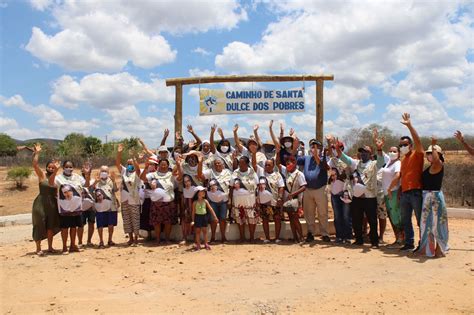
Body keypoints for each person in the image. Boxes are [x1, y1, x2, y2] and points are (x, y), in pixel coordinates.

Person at [335, 138, 385, 248]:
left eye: (365, 152)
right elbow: (344, 158)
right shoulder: (356, 163)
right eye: (361, 152)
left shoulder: (374, 164)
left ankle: (374, 242)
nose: (363, 154)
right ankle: (359, 239)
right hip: (357, 196)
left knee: (372, 220)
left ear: (370, 154)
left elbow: (382, 161)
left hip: (369, 197)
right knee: (357, 219)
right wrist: (338, 150)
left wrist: (380, 148)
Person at [49, 160, 90, 253]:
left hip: (76, 207)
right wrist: (55, 171)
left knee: (74, 227)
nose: (69, 169)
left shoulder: (77, 177)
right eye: (66, 167)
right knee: (64, 228)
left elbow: (87, 185)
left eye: (70, 167)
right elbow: (51, 183)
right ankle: (64, 247)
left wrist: (87, 175)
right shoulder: (58, 177)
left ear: (73, 168)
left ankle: (72, 245)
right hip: (65, 208)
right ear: (63, 168)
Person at [419, 137, 449, 257]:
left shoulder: (438, 164)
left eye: (432, 153)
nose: (429, 155)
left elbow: (436, 160)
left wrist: (433, 145)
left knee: (438, 224)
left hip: (435, 197)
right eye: (429, 153)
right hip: (427, 197)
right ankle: (428, 249)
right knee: (427, 224)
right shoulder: (430, 167)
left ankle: (439, 249)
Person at [399, 113, 425, 251]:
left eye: (404, 144)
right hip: (404, 194)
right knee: (406, 220)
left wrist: (409, 126)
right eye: (400, 145)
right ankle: (409, 243)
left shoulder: (417, 154)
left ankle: (424, 242)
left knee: (421, 220)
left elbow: (418, 141)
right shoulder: (403, 160)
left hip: (416, 192)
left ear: (410, 145)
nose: (402, 146)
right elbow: (402, 177)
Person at [140, 158, 181, 245]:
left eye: (165, 164)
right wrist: (146, 167)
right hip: (156, 203)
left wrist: (178, 165)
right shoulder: (153, 175)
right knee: (156, 222)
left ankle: (167, 239)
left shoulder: (171, 175)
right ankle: (158, 239)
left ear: (168, 165)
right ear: (158, 165)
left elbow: (180, 178)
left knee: (168, 222)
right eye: (161, 164)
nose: (163, 166)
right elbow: (142, 178)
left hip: (169, 203)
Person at [297, 139, 330, 242]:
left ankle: (324, 233)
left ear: (320, 149)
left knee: (323, 212)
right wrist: (295, 147)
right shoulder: (306, 158)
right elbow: (295, 159)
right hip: (307, 190)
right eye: (312, 147)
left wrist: (316, 156)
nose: (314, 149)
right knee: (309, 213)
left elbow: (324, 166)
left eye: (317, 147)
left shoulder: (324, 158)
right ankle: (310, 233)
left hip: (320, 189)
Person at [31, 143, 60, 255]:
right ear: (46, 168)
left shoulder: (57, 179)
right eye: (49, 167)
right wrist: (37, 153)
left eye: (53, 168)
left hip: (52, 204)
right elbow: (34, 165)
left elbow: (53, 185)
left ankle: (50, 247)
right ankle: (38, 248)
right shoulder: (42, 175)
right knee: (39, 224)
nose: (51, 169)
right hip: (40, 203)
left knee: (50, 225)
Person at [252, 150, 285, 243]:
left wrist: (280, 198)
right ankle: (267, 237)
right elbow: (254, 164)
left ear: (273, 166)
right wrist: (254, 153)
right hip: (264, 202)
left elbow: (281, 187)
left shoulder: (277, 175)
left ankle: (277, 237)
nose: (267, 166)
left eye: (269, 165)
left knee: (277, 219)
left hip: (275, 200)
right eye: (265, 165)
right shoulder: (261, 173)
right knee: (265, 219)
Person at [326, 137, 352, 244]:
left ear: (342, 148)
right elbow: (327, 165)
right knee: (337, 216)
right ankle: (339, 236)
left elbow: (346, 172)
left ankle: (347, 236)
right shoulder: (331, 161)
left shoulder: (346, 160)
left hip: (345, 192)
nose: (335, 149)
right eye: (334, 148)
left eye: (338, 148)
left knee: (346, 216)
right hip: (334, 193)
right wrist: (328, 143)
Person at [378, 141, 403, 247]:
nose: (392, 153)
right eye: (391, 151)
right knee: (392, 217)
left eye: (394, 151)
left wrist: (390, 188)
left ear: (399, 153)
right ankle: (398, 239)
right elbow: (381, 155)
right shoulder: (389, 162)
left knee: (397, 216)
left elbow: (398, 176)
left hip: (393, 192)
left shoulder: (398, 163)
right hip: (387, 194)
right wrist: (379, 147)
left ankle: (402, 239)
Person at [116, 144, 142, 246]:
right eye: (128, 163)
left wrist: (134, 158)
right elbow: (117, 163)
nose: (129, 164)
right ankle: (130, 238)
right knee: (126, 219)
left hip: (134, 200)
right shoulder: (124, 171)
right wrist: (119, 152)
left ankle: (136, 239)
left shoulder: (137, 172)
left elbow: (138, 169)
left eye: (131, 163)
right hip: (124, 199)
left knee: (135, 219)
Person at [277, 155, 307, 243]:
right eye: (286, 164)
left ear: (294, 163)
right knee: (291, 218)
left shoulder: (299, 174)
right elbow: (278, 164)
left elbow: (304, 186)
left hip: (296, 198)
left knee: (295, 218)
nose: (287, 166)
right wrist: (278, 151)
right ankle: (295, 237)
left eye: (289, 164)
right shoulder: (286, 172)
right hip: (288, 199)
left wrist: (293, 193)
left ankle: (301, 237)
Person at [230, 156, 259, 242]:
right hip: (238, 199)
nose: (241, 165)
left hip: (250, 199)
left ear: (247, 164)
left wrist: (257, 199)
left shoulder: (252, 172)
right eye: (240, 163)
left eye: (243, 163)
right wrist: (230, 200)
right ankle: (242, 237)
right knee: (240, 218)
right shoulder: (235, 173)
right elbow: (231, 187)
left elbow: (256, 186)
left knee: (251, 218)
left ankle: (252, 238)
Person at [203, 157, 232, 243]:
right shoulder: (210, 172)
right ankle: (213, 237)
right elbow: (200, 175)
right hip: (212, 201)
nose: (217, 165)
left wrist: (230, 199)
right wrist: (201, 162)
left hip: (224, 201)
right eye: (216, 163)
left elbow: (231, 187)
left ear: (223, 164)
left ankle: (223, 237)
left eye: (219, 163)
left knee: (223, 219)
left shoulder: (228, 172)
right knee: (213, 219)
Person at [91, 166, 119, 248]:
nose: (104, 172)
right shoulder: (96, 181)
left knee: (111, 224)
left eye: (106, 171)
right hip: (100, 207)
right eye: (102, 171)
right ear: (99, 171)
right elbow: (90, 190)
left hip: (111, 206)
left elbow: (115, 190)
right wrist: (95, 182)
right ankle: (101, 241)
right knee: (100, 224)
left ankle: (110, 240)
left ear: (108, 172)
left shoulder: (111, 180)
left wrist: (114, 181)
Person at [192, 186, 218, 250]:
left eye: (204, 192)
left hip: (204, 217)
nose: (203, 193)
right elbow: (193, 212)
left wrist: (215, 217)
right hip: (198, 217)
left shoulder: (205, 201)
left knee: (205, 231)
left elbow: (211, 209)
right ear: (198, 193)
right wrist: (193, 220)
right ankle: (198, 244)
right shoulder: (195, 202)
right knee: (197, 231)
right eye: (202, 191)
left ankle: (206, 243)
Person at [140, 157, 158, 241]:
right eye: (149, 164)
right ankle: (149, 235)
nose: (151, 166)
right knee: (147, 216)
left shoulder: (158, 174)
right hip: (147, 198)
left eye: (152, 164)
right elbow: (142, 178)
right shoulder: (148, 174)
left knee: (156, 217)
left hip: (156, 199)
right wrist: (145, 168)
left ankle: (157, 235)